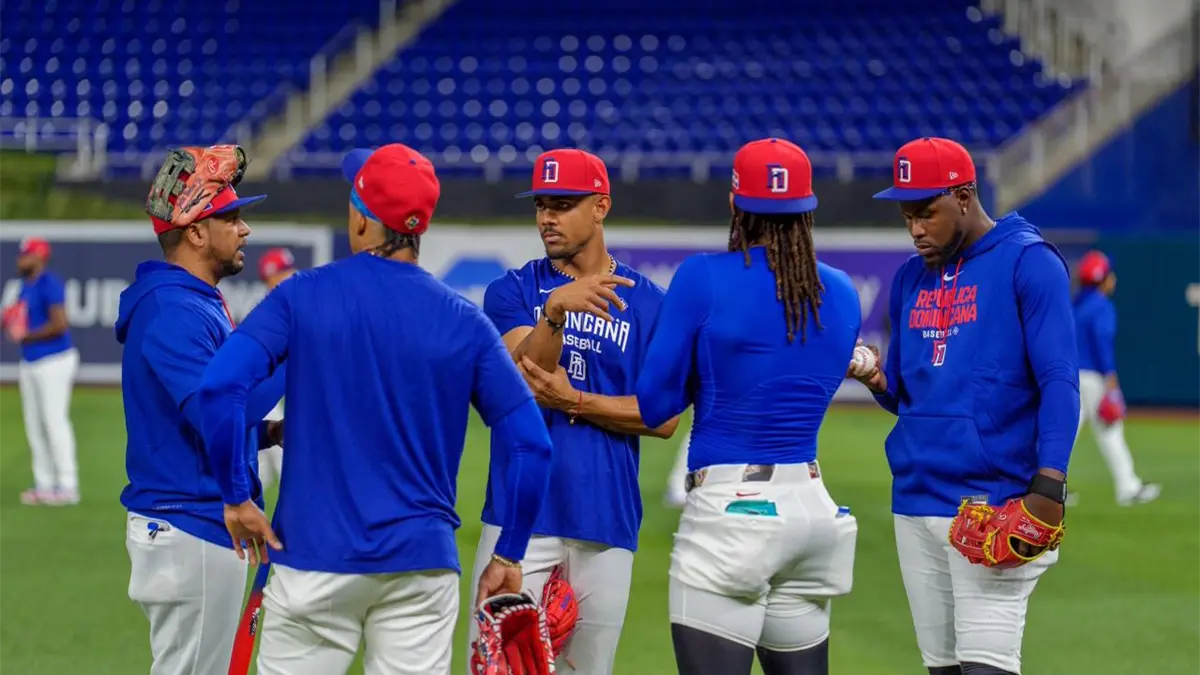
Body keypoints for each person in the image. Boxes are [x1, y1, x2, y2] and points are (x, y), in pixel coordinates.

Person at [195, 143, 554, 675]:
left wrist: (235, 497)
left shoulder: (302, 295)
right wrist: (510, 553)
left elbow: (220, 387)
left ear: (361, 219)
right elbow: (532, 445)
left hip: (312, 557)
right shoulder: (464, 321)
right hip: (421, 566)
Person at [634, 138, 862, 675]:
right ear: (808, 207)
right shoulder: (842, 290)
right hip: (813, 511)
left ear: (735, 203)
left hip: (732, 514)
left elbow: (654, 404)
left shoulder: (702, 277)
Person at [856, 137, 1079, 675]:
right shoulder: (909, 278)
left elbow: (1058, 380)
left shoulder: (1029, 262)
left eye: (926, 213)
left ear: (963, 196)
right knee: (943, 669)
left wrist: (1050, 484)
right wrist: (878, 378)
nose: (915, 229)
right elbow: (908, 394)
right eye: (907, 217)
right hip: (915, 501)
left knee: (987, 667)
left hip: (992, 502)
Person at [469, 147, 679, 675]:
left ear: (601, 206)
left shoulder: (650, 304)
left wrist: (577, 402)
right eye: (541, 205)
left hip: (604, 518)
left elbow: (663, 417)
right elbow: (526, 382)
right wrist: (555, 312)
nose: (547, 217)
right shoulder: (511, 291)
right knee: (497, 668)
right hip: (517, 521)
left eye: (563, 205)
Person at [117, 144, 284, 675]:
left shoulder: (188, 300)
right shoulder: (174, 309)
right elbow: (216, 410)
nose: (244, 229)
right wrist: (293, 355)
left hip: (192, 524)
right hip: (191, 524)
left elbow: (207, 413)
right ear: (194, 232)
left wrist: (267, 432)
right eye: (230, 217)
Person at [1071, 250, 1160, 506]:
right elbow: (1101, 340)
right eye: (1110, 274)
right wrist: (1110, 374)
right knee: (1110, 431)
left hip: (1070, 376)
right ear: (1102, 279)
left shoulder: (1076, 305)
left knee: (1064, 435)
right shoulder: (1101, 305)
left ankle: (1046, 489)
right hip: (1093, 377)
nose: (1114, 278)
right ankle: (1128, 487)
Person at [5, 236, 80, 506]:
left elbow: (60, 324)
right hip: (31, 360)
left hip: (54, 360)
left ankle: (68, 485)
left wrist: (26, 335)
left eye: (26, 254)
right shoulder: (25, 286)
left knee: (54, 421)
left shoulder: (50, 284)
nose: (21, 259)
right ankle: (45, 483)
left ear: (39, 256)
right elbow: (18, 318)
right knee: (35, 424)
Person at [256, 247, 298, 490]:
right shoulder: (267, 311)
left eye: (289, 270)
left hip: (287, 391)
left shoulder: (296, 304)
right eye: (281, 273)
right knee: (268, 465)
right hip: (264, 391)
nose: (288, 276)